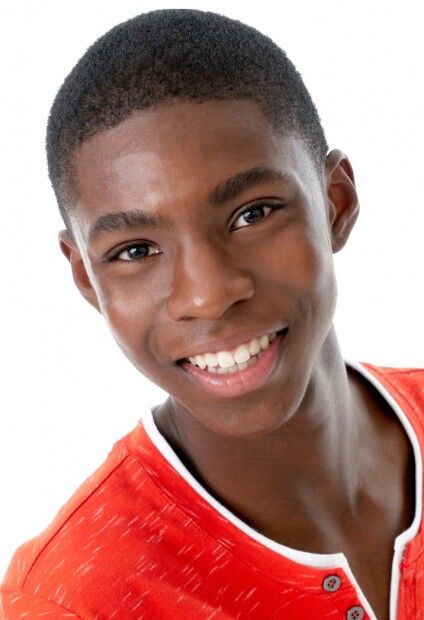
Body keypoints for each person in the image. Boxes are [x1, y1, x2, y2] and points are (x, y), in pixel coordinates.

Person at [1, 8, 422, 620]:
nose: (207, 295)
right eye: (135, 251)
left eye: (252, 214)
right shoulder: (73, 602)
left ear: (335, 203)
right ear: (86, 278)